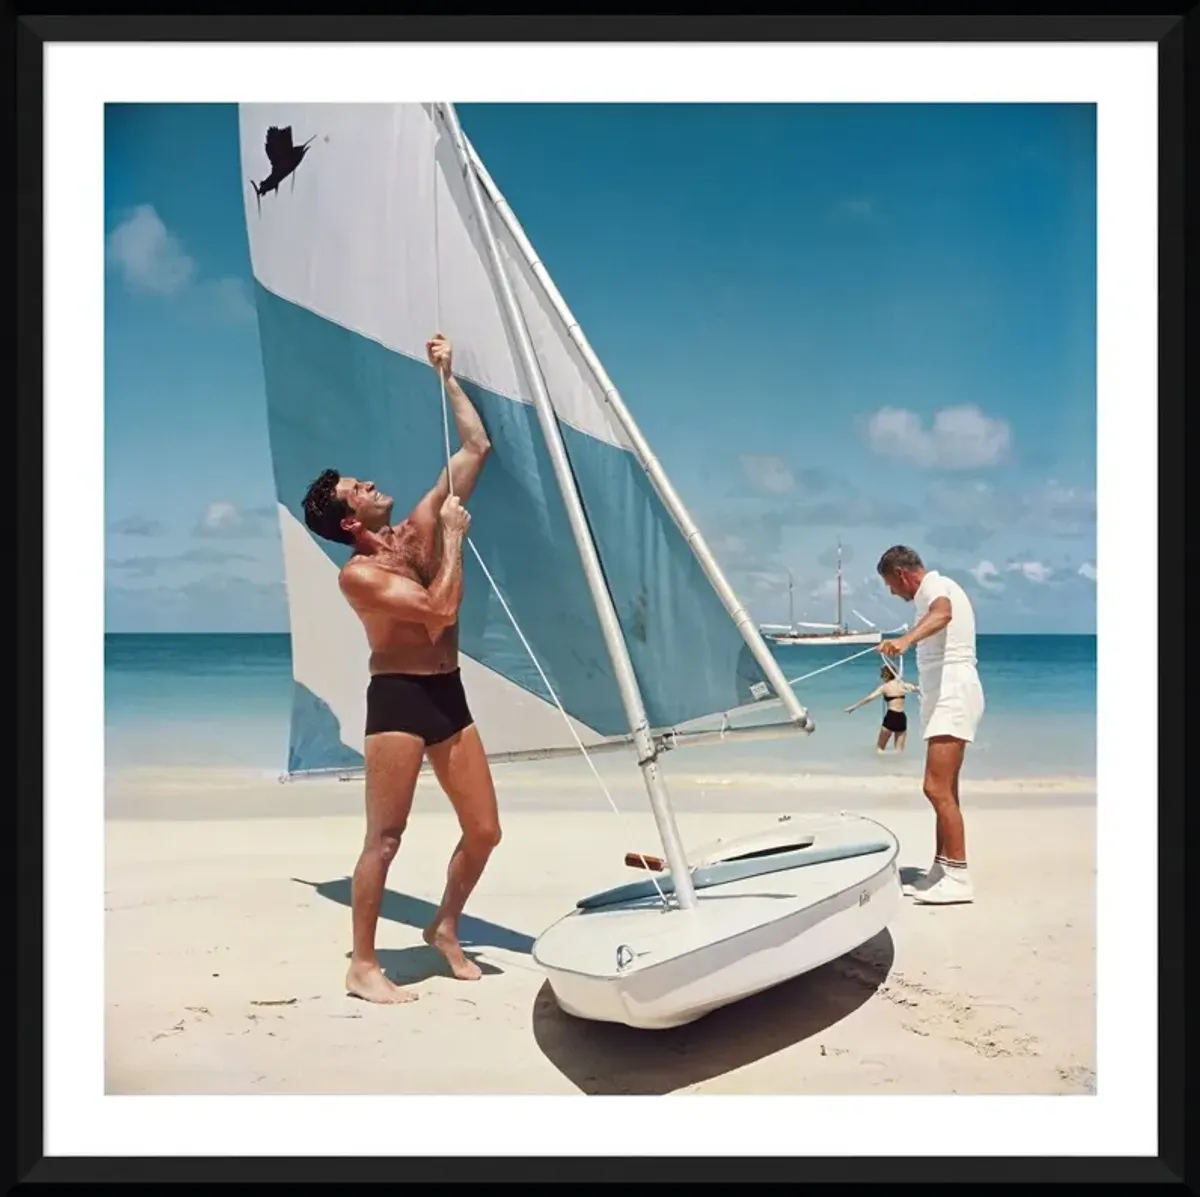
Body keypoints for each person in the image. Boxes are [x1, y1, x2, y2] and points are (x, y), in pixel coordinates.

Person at [300, 332, 498, 1003]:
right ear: (350, 520)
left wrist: (446, 375)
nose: (372, 482)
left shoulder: (415, 531)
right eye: (360, 486)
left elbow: (475, 449)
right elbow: (439, 612)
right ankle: (362, 964)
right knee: (385, 838)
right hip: (398, 701)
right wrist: (456, 538)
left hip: (447, 693)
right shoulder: (359, 577)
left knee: (485, 829)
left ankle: (443, 925)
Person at [875, 545, 984, 905]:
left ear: (903, 575)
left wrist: (905, 640)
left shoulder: (936, 590)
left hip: (954, 694)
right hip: (946, 696)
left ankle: (959, 876)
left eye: (891, 584)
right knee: (946, 790)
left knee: (935, 789)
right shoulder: (930, 592)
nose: (892, 592)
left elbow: (943, 614)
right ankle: (942, 869)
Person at [845, 663, 920, 752]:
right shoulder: (903, 685)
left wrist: (853, 707)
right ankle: (898, 766)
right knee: (899, 751)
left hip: (891, 716)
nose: (881, 676)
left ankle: (879, 765)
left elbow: (869, 698)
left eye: (882, 673)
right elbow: (920, 689)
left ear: (886, 674)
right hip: (902, 717)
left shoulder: (884, 687)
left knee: (880, 749)